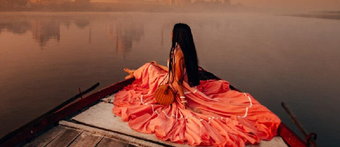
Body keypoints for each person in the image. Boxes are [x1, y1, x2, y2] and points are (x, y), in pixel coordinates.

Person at [113, 23, 281, 147]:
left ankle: (133, 73)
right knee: (152, 66)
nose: (170, 33)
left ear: (177, 35)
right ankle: (135, 71)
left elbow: (177, 81)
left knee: (149, 69)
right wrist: (160, 65)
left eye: (173, 31)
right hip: (174, 80)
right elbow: (174, 72)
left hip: (174, 87)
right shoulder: (182, 50)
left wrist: (184, 103)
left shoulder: (178, 53)